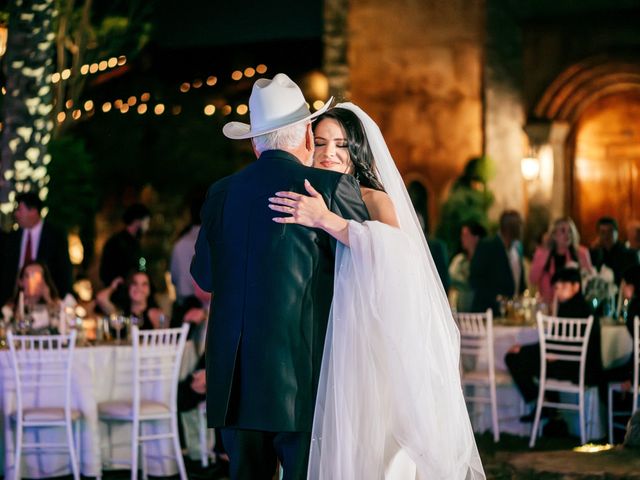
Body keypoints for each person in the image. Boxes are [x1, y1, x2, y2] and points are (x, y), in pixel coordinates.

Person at [268, 104, 484, 479]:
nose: (329, 152)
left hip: (367, 344)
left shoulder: (374, 199)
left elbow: (397, 258)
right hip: (316, 342)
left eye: (341, 144)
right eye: (319, 142)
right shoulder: (301, 194)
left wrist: (328, 221)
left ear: (358, 151)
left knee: (374, 451)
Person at [190, 74, 369, 480]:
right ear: (307, 134)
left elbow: (205, 276)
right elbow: (370, 271)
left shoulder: (221, 192)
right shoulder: (331, 186)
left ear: (255, 143)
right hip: (305, 378)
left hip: (236, 385)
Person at [505, 267, 600, 423]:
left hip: (569, 367)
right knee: (525, 359)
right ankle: (548, 405)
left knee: (513, 358)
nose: (558, 292)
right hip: (581, 367)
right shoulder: (587, 308)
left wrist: (524, 349)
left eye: (563, 287)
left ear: (576, 286)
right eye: (556, 288)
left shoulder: (570, 309)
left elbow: (557, 343)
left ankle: (544, 403)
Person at [0, 192, 73, 306]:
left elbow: (64, 270)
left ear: (33, 211)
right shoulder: (12, 238)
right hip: (13, 301)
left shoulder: (55, 236)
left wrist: (58, 299)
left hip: (46, 301)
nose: (16, 214)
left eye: (20, 210)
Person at [469, 210, 526, 314]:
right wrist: (497, 299)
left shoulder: (516, 249)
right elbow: (475, 279)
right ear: (509, 227)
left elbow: (519, 283)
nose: (521, 229)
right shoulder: (487, 246)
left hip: (510, 313)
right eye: (519, 225)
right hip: (488, 311)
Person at [529, 217, 593, 305]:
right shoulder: (542, 253)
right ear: (554, 235)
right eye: (563, 231)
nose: (567, 235)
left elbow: (590, 282)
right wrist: (546, 250)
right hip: (548, 307)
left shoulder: (581, 253)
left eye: (570, 231)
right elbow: (533, 279)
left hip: (573, 307)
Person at [99, 203, 150, 288]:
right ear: (137, 221)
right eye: (146, 222)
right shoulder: (115, 243)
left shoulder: (136, 244)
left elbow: (142, 267)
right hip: (120, 295)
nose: (147, 227)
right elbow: (106, 273)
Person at [96, 270, 164, 331]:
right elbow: (100, 298)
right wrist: (112, 287)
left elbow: (162, 340)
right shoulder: (120, 313)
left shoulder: (155, 314)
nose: (139, 288)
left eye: (144, 284)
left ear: (150, 290)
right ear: (129, 287)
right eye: (135, 283)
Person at [170, 191, 206, 304]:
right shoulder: (215, 242)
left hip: (186, 306)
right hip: (209, 308)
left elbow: (174, 278)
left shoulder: (180, 244)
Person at [449, 221, 487, 312]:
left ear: (476, 238)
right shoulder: (459, 260)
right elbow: (450, 278)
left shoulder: (485, 261)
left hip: (479, 307)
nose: (462, 238)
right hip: (460, 307)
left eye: (465, 235)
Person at [590, 216, 639, 284]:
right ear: (598, 234)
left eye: (610, 231)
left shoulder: (629, 254)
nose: (606, 236)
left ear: (617, 232)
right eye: (603, 232)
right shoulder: (596, 253)